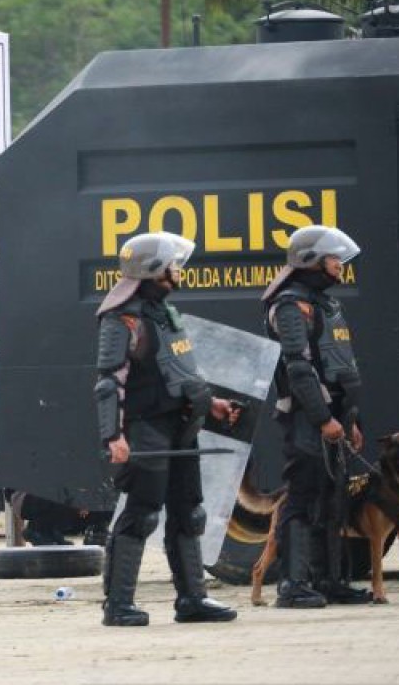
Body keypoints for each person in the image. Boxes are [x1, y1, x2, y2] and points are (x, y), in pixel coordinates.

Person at [94, 232, 239, 626]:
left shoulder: (163, 313)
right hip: (146, 430)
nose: (178, 269)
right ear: (154, 269)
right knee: (141, 514)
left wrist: (212, 404)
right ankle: (118, 605)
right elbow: (108, 382)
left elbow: (179, 371)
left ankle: (192, 599)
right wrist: (113, 436)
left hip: (182, 427)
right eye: (172, 264)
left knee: (189, 512)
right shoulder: (123, 318)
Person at [261, 225, 372, 608]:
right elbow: (299, 369)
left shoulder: (325, 304)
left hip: (335, 417)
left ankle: (330, 581)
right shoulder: (290, 305)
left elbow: (339, 365)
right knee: (303, 497)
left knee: (332, 500)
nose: (340, 264)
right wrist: (323, 419)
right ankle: (292, 585)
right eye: (333, 258)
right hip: (307, 419)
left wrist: (350, 420)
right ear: (311, 261)